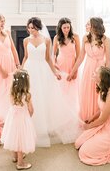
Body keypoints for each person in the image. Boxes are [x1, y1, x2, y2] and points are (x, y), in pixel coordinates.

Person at [22, 17, 80, 147]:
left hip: (43, 70)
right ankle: (30, 126)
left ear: (38, 27)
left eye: (33, 28)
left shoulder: (47, 40)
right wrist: (21, 70)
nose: (31, 30)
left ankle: (44, 127)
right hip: (30, 69)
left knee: (44, 97)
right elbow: (25, 57)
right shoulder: (26, 41)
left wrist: (55, 72)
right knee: (31, 96)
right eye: (29, 28)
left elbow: (48, 58)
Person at [75, 66, 110, 165]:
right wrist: (91, 118)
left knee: (84, 151)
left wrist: (89, 126)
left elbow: (103, 119)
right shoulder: (102, 90)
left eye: (96, 72)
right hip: (104, 124)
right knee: (79, 143)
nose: (93, 73)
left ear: (101, 78)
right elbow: (102, 110)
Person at [67, 17, 110, 122]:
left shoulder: (106, 40)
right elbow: (81, 57)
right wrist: (72, 72)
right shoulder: (85, 38)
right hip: (88, 68)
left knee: (98, 94)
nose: (86, 26)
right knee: (86, 94)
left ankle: (96, 120)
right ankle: (86, 118)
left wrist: (109, 79)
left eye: (88, 24)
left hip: (100, 70)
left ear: (94, 26)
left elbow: (108, 61)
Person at [1, 71, 35, 170]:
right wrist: (29, 117)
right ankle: (20, 163)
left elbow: (12, 105)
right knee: (20, 140)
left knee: (13, 136)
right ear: (26, 83)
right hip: (22, 119)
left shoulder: (11, 93)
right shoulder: (27, 95)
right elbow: (31, 110)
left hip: (12, 118)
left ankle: (15, 157)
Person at [53, 18, 80, 103]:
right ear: (60, 28)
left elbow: (79, 55)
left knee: (71, 88)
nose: (66, 29)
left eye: (68, 27)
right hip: (60, 64)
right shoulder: (56, 37)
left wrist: (75, 70)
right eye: (64, 27)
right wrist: (55, 66)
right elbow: (53, 54)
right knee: (61, 88)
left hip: (72, 64)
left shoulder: (75, 37)